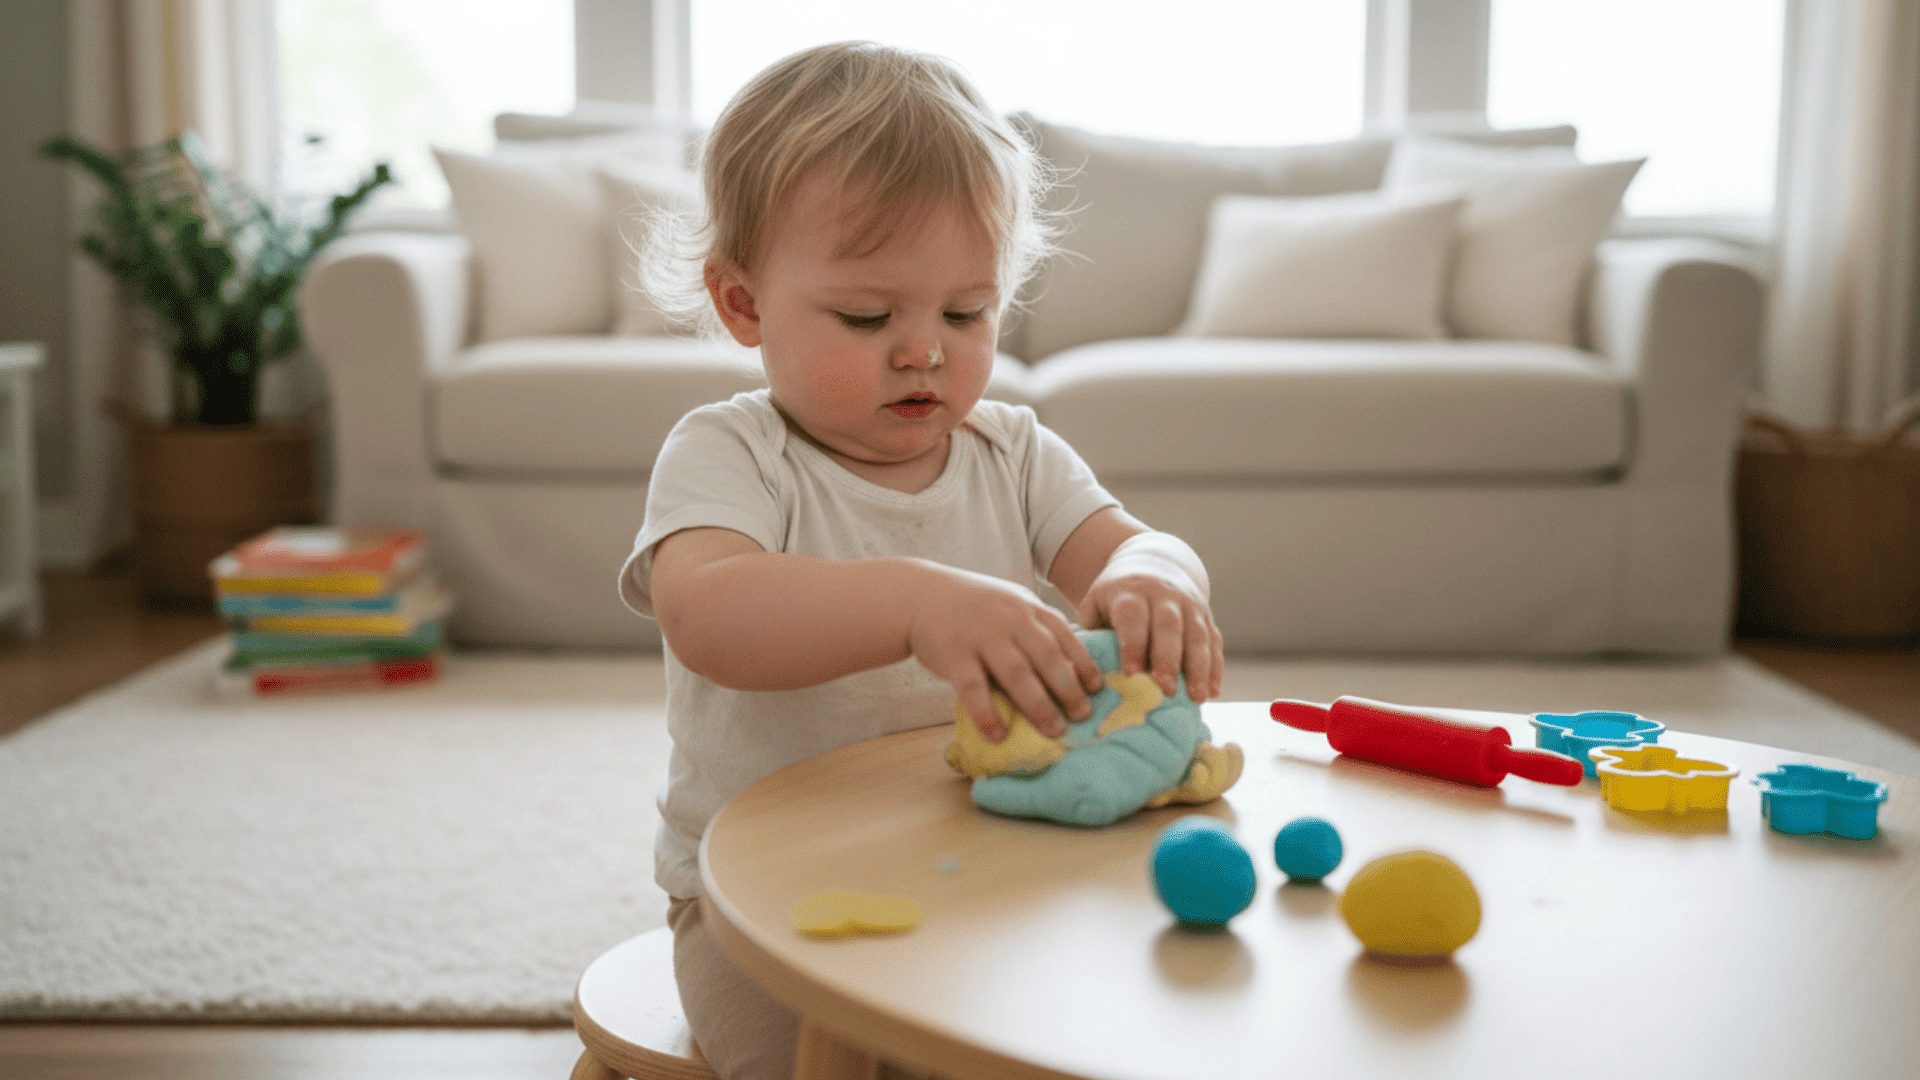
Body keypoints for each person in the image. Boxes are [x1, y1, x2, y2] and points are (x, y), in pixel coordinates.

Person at [618, 40, 1225, 1080]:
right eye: (868, 315)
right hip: (765, 903)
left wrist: (1155, 577)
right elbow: (708, 613)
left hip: (987, 866)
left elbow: (1128, 541)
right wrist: (911, 602)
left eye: (965, 312)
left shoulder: (1014, 451)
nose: (925, 351)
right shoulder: (730, 453)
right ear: (743, 305)